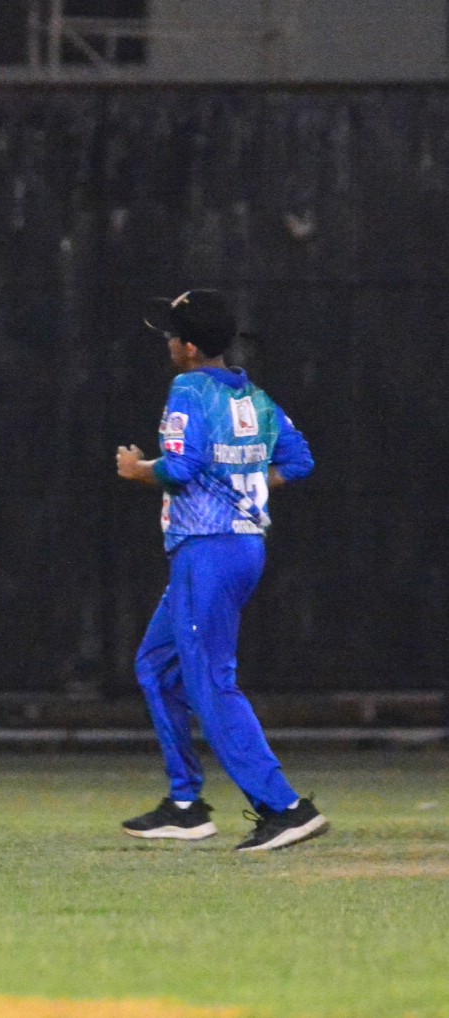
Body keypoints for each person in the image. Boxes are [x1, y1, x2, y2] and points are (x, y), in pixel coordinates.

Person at [115, 289, 328, 852]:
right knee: (157, 667)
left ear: (188, 347)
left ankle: (285, 807)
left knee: (210, 683)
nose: (168, 342)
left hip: (207, 550)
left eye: (172, 334)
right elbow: (298, 461)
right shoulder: (254, 396)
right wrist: (244, 485)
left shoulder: (188, 389)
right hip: (240, 548)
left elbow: (180, 469)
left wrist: (138, 469)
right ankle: (185, 805)